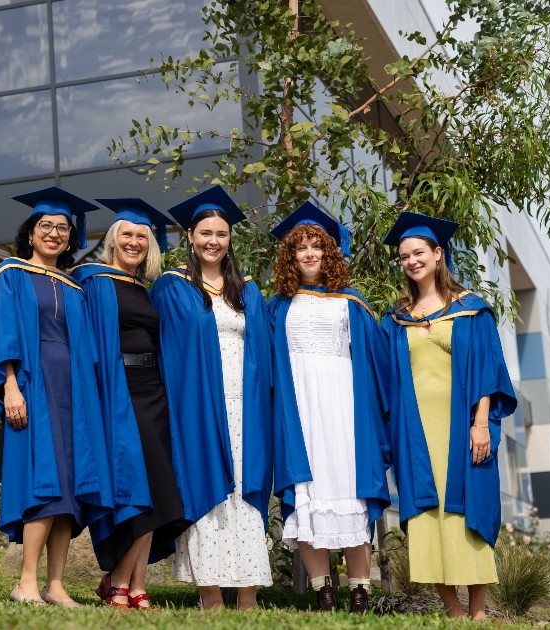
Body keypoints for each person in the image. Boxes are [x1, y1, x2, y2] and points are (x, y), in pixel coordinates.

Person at [0, 187, 112, 607]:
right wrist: (10, 386)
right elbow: (0, 334)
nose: (54, 233)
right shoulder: (10, 276)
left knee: (69, 491)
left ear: (71, 237)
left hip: (72, 396)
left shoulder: (74, 288)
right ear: (30, 234)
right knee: (43, 485)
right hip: (32, 390)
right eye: (45, 226)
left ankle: (56, 585)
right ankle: (26, 583)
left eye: (62, 228)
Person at [377, 211, 517, 621]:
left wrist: (480, 424)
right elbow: (385, 374)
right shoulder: (396, 316)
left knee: (465, 511)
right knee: (426, 515)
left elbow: (488, 371)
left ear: (438, 254)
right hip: (413, 429)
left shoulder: (471, 310)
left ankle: (477, 611)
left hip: (462, 425)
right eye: (404, 256)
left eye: (418, 252)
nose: (411, 261)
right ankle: (452, 609)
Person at [151, 186, 274, 609]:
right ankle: (210, 595)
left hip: (245, 407)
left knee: (245, 492)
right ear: (190, 235)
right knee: (207, 491)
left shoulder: (248, 290)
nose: (213, 241)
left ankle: (247, 595)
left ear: (229, 239)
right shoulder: (173, 286)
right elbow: (165, 348)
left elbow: (264, 351)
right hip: (199, 409)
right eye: (205, 232)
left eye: (221, 234)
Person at [268, 202, 390, 614]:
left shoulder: (350, 303)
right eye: (300, 247)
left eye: (316, 246)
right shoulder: (278, 306)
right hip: (298, 405)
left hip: (342, 407)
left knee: (350, 493)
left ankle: (359, 591)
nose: (308, 254)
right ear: (290, 256)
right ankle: (323, 591)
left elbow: (375, 364)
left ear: (329, 253)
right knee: (306, 494)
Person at [71, 198, 188, 610]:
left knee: (156, 485)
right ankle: (122, 581)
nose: (135, 242)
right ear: (113, 241)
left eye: (142, 236)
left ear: (150, 245)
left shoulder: (148, 288)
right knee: (137, 485)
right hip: (118, 388)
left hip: (153, 388)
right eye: (127, 235)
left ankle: (131, 583)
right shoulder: (94, 279)